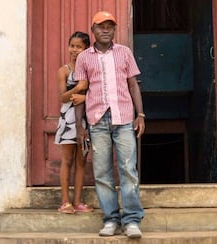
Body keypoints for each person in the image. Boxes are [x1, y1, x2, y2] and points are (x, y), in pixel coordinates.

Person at [73, 11, 146, 238]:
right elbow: (80, 92)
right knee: (103, 172)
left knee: (128, 170)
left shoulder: (124, 53)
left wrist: (140, 114)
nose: (106, 30)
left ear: (114, 30)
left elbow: (133, 84)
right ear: (93, 29)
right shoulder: (84, 57)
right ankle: (111, 220)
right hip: (97, 121)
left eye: (110, 26)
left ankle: (132, 220)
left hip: (124, 119)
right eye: (101, 26)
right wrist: (80, 127)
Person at [54, 31, 93, 214]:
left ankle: (77, 202)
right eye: (72, 46)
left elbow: (95, 93)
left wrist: (84, 97)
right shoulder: (64, 71)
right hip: (68, 119)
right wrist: (78, 88)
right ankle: (65, 202)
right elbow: (63, 98)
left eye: (79, 47)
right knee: (67, 160)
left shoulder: (90, 70)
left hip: (86, 118)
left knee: (81, 161)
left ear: (86, 48)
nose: (75, 50)